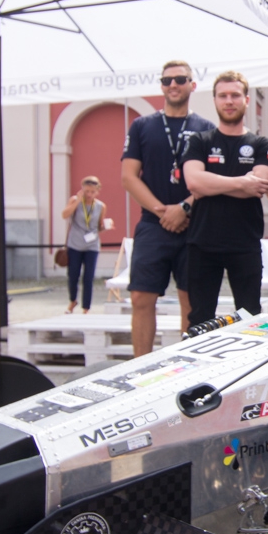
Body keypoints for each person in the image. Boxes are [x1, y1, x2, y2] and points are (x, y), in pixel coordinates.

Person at [121, 60, 215, 356]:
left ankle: (186, 371)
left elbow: (212, 179)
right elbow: (128, 176)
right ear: (161, 85)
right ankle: (140, 367)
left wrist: (184, 208)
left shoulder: (206, 129)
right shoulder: (142, 126)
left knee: (191, 301)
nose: (172, 85)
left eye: (179, 79)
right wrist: (163, 211)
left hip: (194, 224)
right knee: (141, 297)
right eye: (166, 80)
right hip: (153, 223)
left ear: (192, 84)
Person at [181, 72, 268, 324]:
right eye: (223, 95)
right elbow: (193, 182)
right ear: (215, 100)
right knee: (200, 319)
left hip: (244, 243)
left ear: (246, 100)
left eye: (235, 95)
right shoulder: (199, 141)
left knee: (250, 318)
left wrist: (210, 183)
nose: (229, 101)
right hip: (202, 243)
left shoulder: (261, 144)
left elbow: (258, 186)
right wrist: (241, 182)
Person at [61, 176, 113, 313]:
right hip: (75, 244)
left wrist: (106, 226)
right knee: (73, 275)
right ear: (82, 190)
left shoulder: (101, 206)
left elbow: (99, 226)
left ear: (97, 192)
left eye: (92, 192)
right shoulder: (75, 201)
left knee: (88, 277)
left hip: (92, 245)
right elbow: (64, 215)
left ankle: (86, 307)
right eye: (86, 191)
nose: (89, 194)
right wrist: (77, 200)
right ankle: (72, 301)